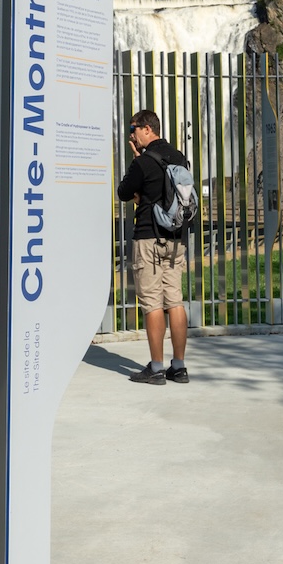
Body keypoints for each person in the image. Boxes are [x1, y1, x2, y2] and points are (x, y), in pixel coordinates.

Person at [117, 109, 190, 384]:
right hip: (176, 238)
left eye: (133, 128)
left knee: (152, 303)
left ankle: (157, 368)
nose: (131, 135)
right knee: (175, 300)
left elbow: (124, 192)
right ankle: (179, 367)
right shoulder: (179, 156)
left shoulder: (143, 162)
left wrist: (136, 160)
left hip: (148, 238)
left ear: (147, 129)